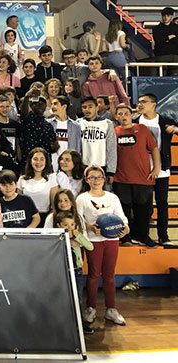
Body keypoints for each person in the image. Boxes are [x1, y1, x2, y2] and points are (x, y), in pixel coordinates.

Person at [76, 165, 129, 327]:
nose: (96, 180)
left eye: (99, 177)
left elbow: (121, 217)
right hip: (93, 241)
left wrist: (125, 228)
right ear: (86, 180)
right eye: (92, 177)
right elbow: (78, 220)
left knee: (109, 275)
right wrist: (90, 227)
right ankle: (91, 308)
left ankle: (111, 309)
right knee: (93, 275)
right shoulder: (82, 198)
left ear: (104, 179)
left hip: (111, 240)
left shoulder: (112, 198)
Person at [114, 104, 160, 246]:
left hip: (143, 178)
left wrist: (157, 168)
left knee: (144, 210)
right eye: (120, 114)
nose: (123, 116)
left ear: (131, 114)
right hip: (121, 178)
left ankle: (143, 236)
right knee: (124, 210)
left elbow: (154, 148)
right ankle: (126, 237)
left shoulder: (142, 129)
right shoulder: (114, 131)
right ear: (116, 117)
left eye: (126, 113)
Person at [135, 93, 178, 245]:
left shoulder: (164, 120)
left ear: (154, 104)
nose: (139, 104)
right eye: (138, 102)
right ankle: (142, 235)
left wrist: (175, 129)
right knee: (142, 204)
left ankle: (163, 236)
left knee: (162, 203)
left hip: (161, 168)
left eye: (143, 102)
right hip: (140, 169)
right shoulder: (135, 121)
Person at [53, 210, 95, 335]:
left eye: (72, 225)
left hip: (77, 272)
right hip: (62, 272)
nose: (69, 228)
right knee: (62, 298)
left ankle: (80, 324)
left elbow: (90, 247)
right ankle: (63, 323)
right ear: (59, 225)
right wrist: (66, 242)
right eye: (66, 225)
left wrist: (77, 236)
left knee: (77, 299)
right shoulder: (57, 238)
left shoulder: (77, 238)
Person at [78, 96, 117, 180]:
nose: (87, 109)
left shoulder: (107, 123)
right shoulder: (78, 123)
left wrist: (111, 171)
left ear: (97, 108)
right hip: (83, 166)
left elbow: (111, 148)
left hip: (102, 167)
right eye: (84, 107)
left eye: (90, 107)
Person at [18, 147, 58, 226]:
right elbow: (18, 203)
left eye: (42, 159)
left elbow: (54, 206)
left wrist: (49, 221)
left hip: (46, 218)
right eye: (35, 159)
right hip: (26, 219)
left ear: (46, 161)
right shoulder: (22, 179)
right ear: (30, 161)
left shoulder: (52, 178)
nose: (38, 162)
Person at [153, 7, 178, 75]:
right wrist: (169, 37)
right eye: (164, 15)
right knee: (161, 76)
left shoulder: (176, 27)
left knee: (174, 77)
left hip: (174, 55)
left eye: (168, 16)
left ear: (171, 16)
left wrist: (166, 39)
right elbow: (158, 40)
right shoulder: (157, 28)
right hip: (161, 55)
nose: (166, 17)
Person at [104, 20, 128, 85]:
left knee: (115, 77)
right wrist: (127, 46)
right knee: (126, 75)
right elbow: (122, 44)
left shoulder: (107, 35)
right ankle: (125, 91)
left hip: (110, 56)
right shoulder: (121, 33)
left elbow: (104, 49)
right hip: (118, 55)